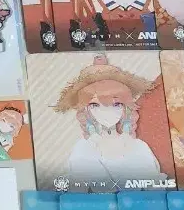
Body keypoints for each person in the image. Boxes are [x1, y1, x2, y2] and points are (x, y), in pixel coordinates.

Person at [55, 54, 163, 187]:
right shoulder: (83, 149)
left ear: (125, 108)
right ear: (86, 110)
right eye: (95, 105)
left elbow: (153, 190)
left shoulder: (139, 148)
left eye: (116, 104)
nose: (106, 112)